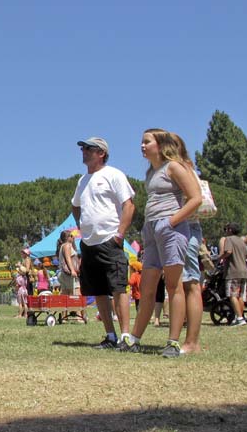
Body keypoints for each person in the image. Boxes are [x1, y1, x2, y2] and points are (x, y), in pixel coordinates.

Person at [122, 129, 201, 358]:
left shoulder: (174, 166)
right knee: (146, 287)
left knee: (174, 286)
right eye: (142, 142)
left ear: (160, 144)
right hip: (152, 230)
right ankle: (135, 338)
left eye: (147, 142)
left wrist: (171, 222)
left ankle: (173, 342)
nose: (142, 146)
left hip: (171, 229)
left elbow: (196, 198)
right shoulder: (152, 171)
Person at [71, 137, 135, 349]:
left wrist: (119, 234)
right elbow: (75, 206)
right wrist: (83, 228)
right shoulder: (82, 181)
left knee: (118, 288)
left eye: (89, 148)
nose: (84, 151)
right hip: (89, 243)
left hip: (110, 240)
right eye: (83, 148)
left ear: (101, 153)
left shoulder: (113, 175)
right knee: (98, 291)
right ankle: (110, 335)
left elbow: (129, 205)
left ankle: (125, 336)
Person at [170, 132, 205, 352]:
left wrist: (171, 220)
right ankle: (186, 338)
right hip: (182, 228)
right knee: (183, 283)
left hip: (187, 227)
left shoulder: (181, 167)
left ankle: (192, 342)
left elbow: (195, 198)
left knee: (191, 283)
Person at [219, 222, 247, 326]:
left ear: (230, 230)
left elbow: (228, 251)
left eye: (226, 229)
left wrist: (220, 258)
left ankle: (239, 318)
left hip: (233, 271)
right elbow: (246, 255)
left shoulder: (229, 239)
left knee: (232, 295)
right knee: (240, 296)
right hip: (243, 271)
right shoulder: (241, 241)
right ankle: (241, 317)